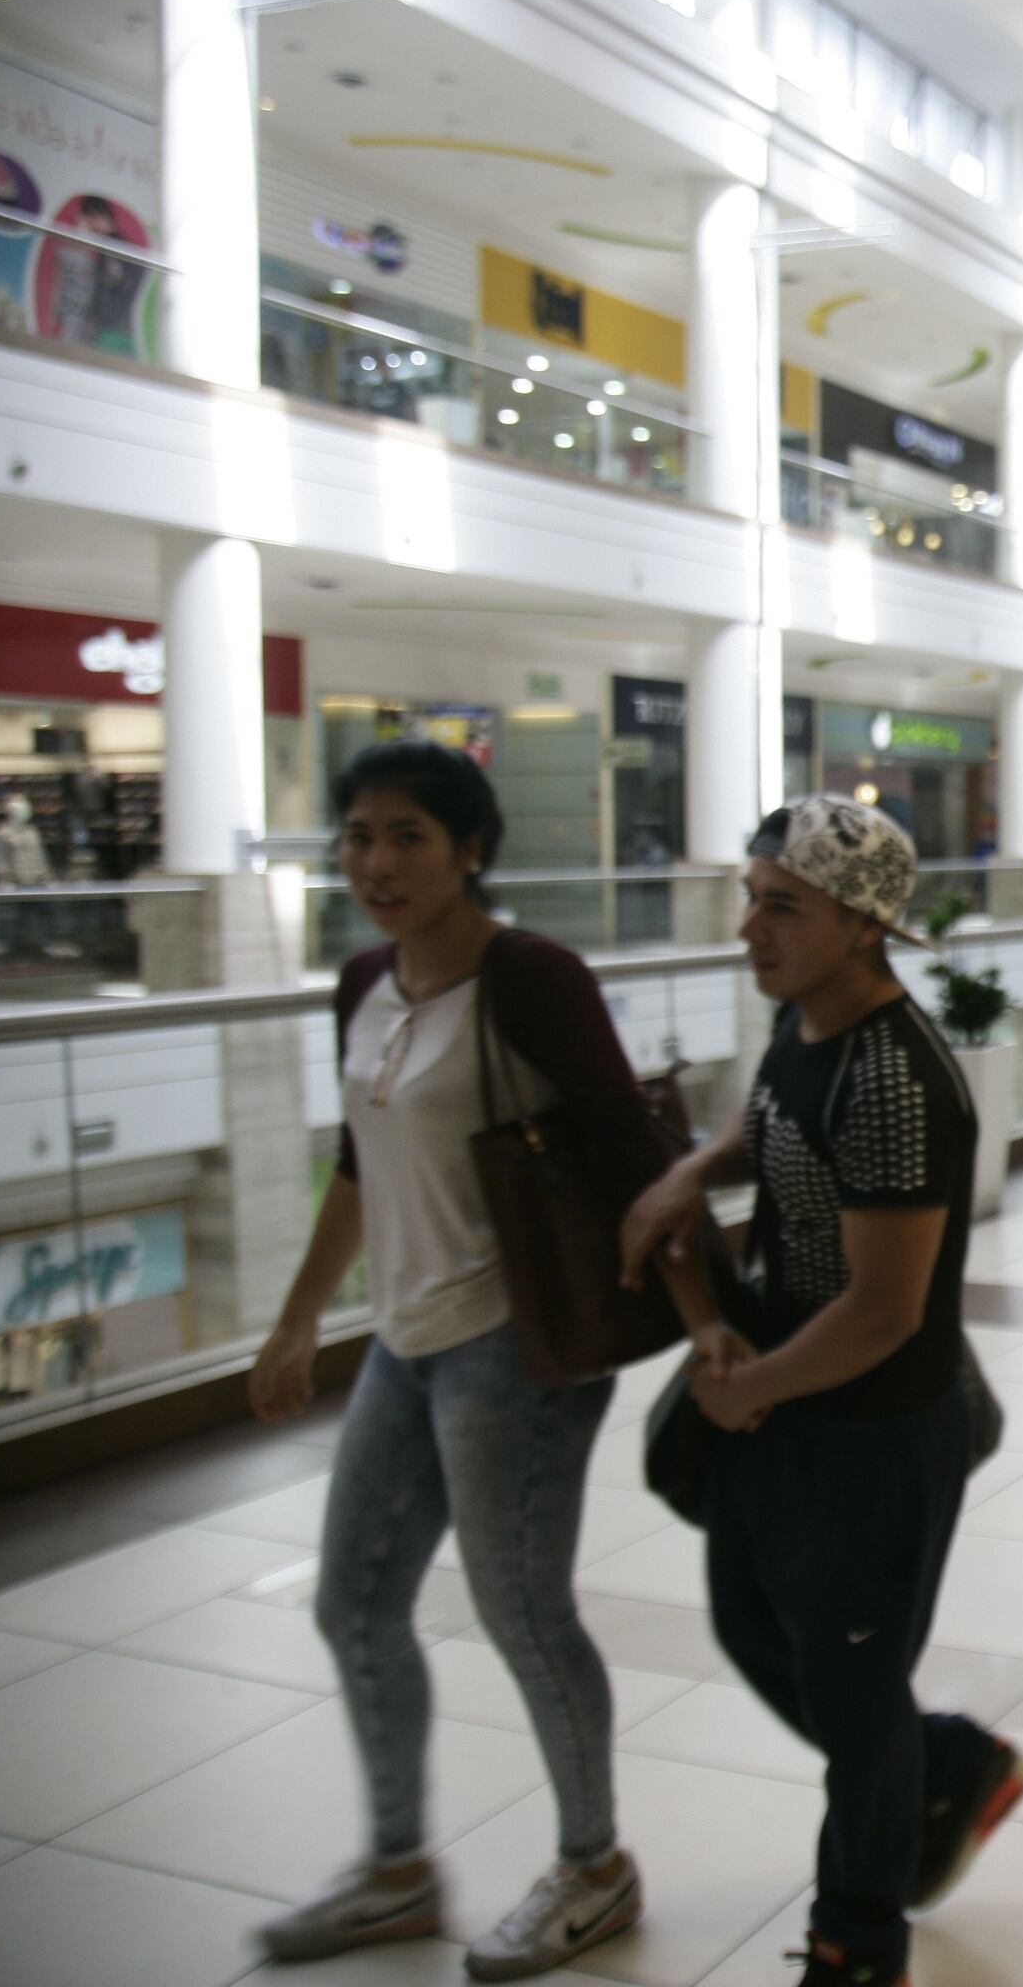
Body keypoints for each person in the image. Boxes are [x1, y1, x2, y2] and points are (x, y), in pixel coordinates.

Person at [248, 741, 701, 1977]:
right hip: (404, 1339)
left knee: (520, 1606)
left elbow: (629, 1155)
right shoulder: (360, 981)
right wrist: (300, 1317)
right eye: (357, 835)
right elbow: (358, 1160)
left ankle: (594, 1867)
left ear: (470, 850)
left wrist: (708, 1322)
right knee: (353, 1599)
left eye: (406, 836)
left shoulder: (531, 977)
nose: (376, 862)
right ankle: (397, 1869)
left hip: (520, 1343)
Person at [621, 796, 1023, 1987]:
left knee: (853, 1698)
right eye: (750, 897)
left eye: (780, 906)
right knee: (753, 1623)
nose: (750, 926)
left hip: (871, 1422)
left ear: (861, 923)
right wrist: (695, 1164)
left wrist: (754, 1391)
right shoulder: (806, 1028)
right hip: (790, 1395)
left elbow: (886, 1309)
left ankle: (859, 1943)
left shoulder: (897, 1079)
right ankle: (943, 1763)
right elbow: (775, 1130)